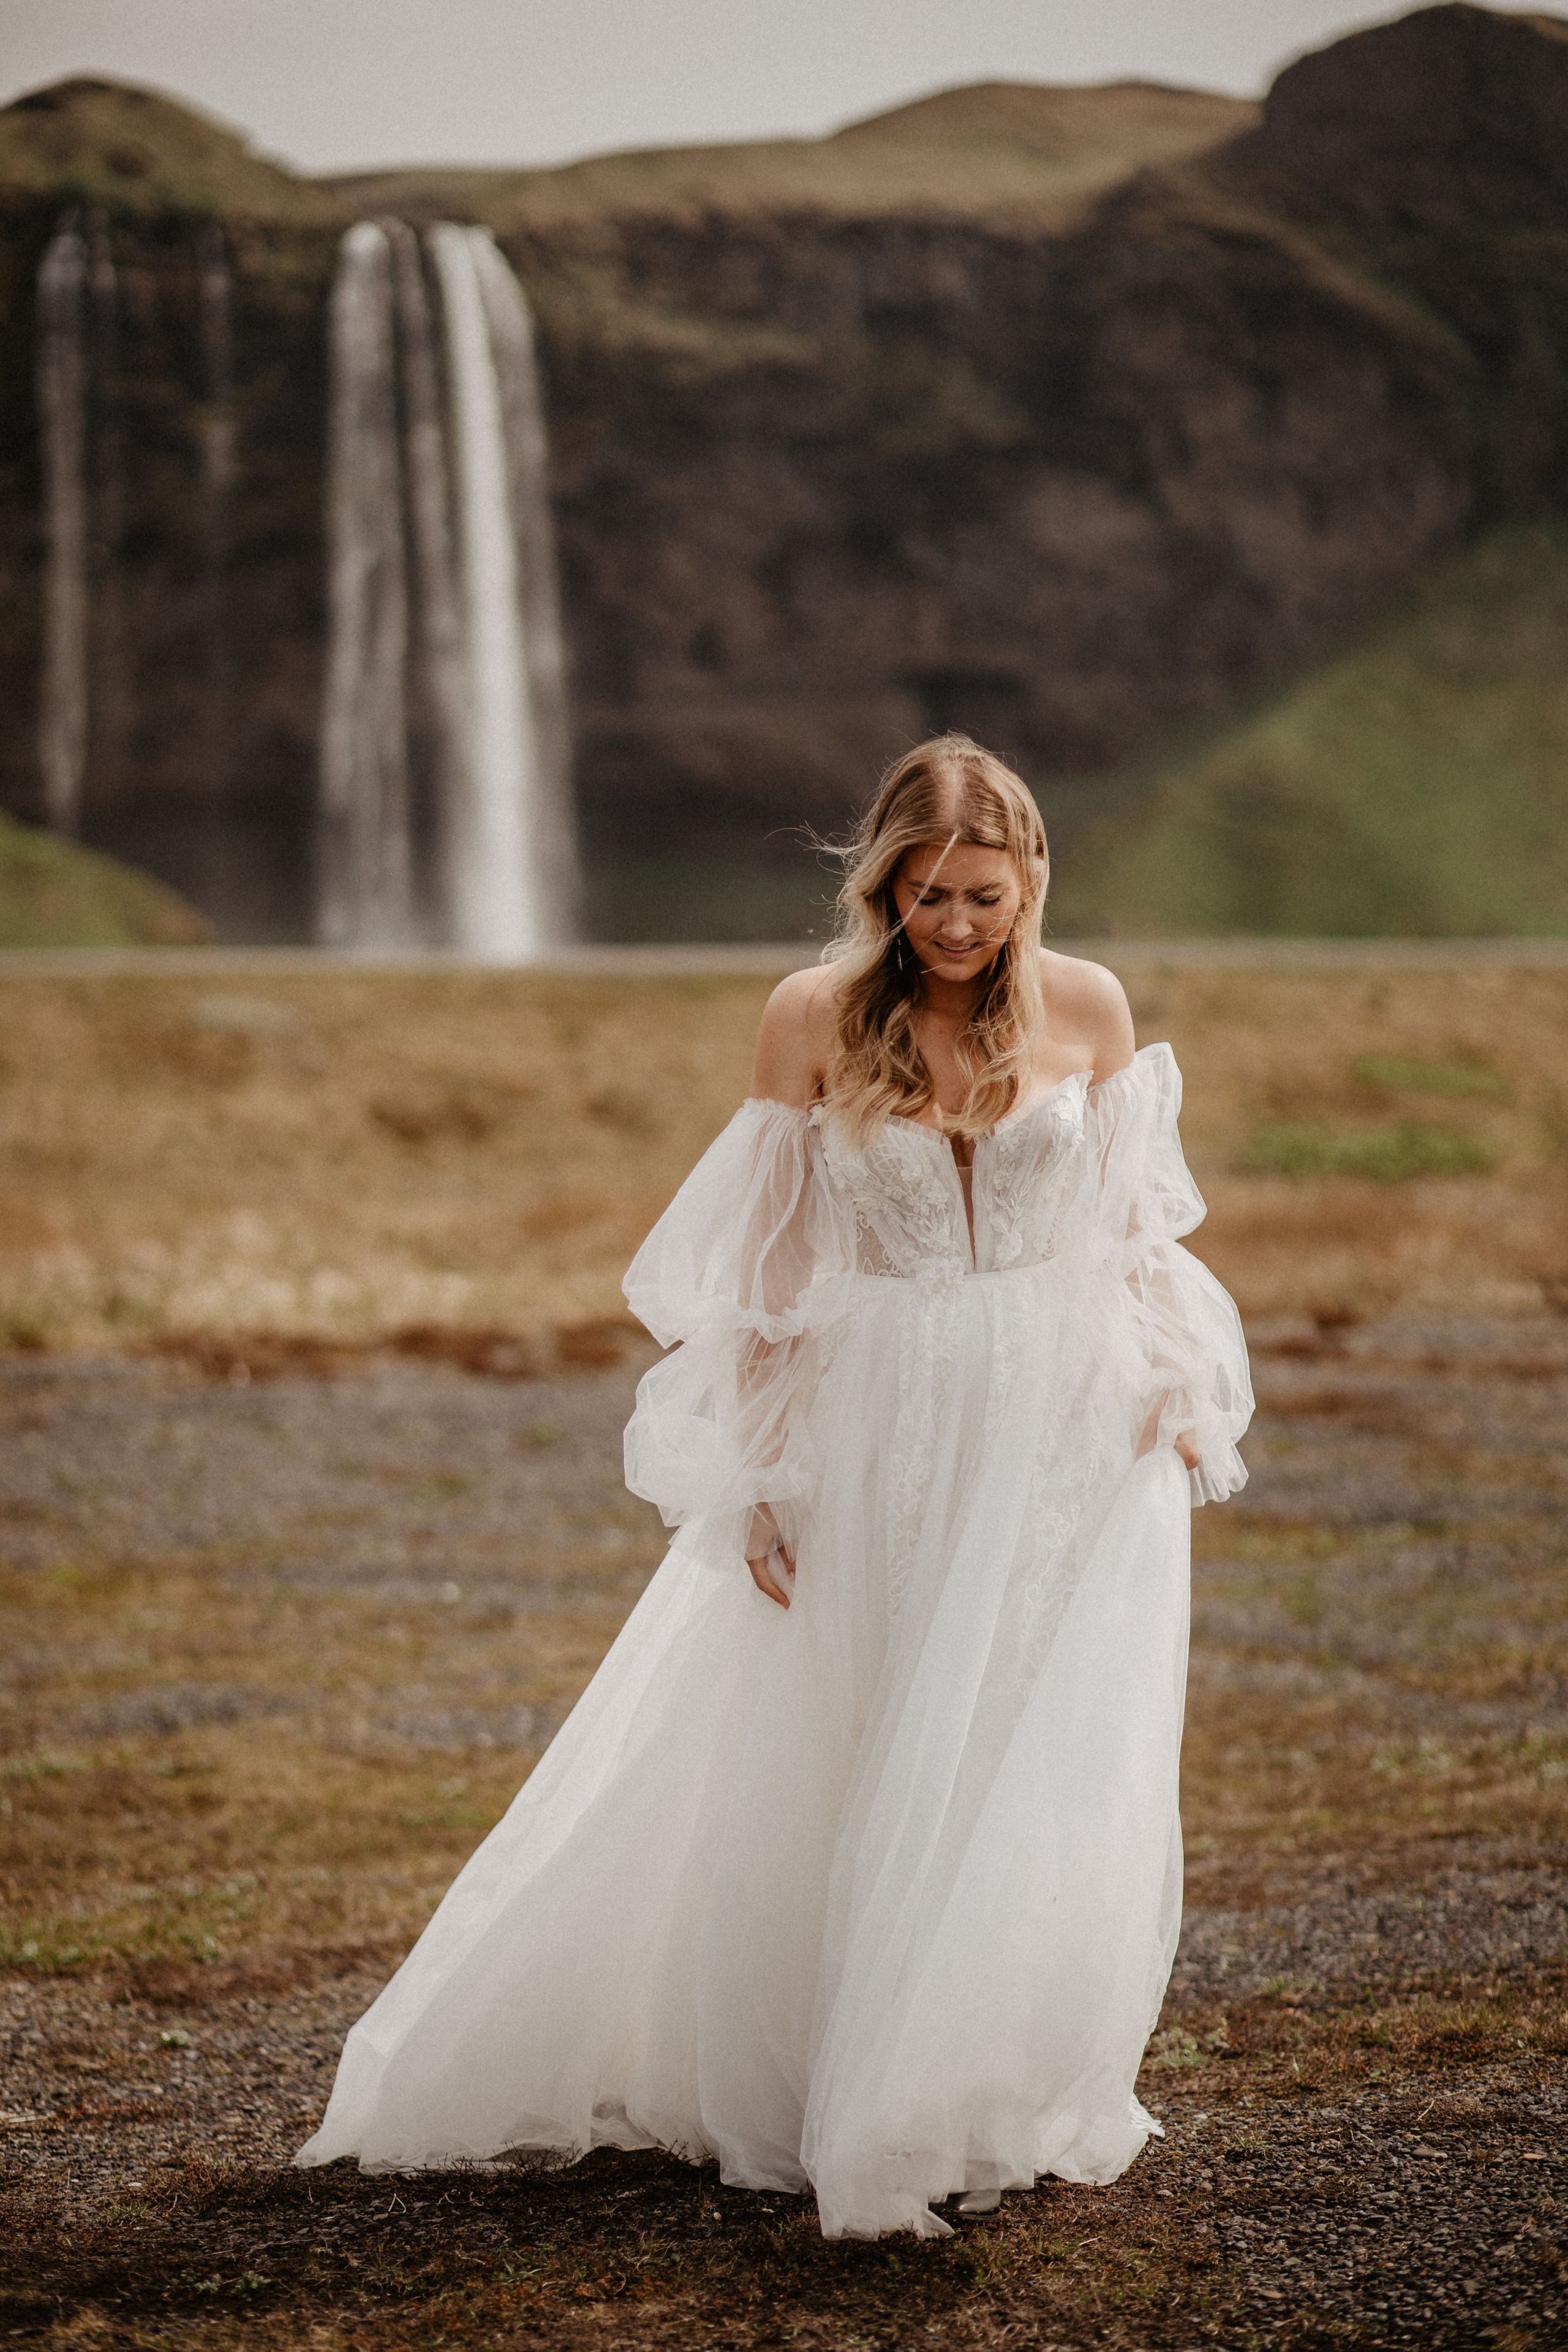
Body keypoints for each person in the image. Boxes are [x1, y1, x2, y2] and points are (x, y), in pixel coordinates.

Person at [296, 734, 1253, 2238]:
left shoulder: (1086, 1008)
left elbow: (1131, 1230)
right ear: (883, 884)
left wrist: (1176, 1383)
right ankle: (845, 2070)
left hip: (1064, 1432)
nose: (955, 925)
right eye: (928, 895)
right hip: (875, 1415)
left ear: (1033, 883)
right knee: (862, 1722)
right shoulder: (810, 1017)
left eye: (985, 897)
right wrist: (758, 1476)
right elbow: (764, 1271)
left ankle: (967, 2073)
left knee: (1019, 1735)